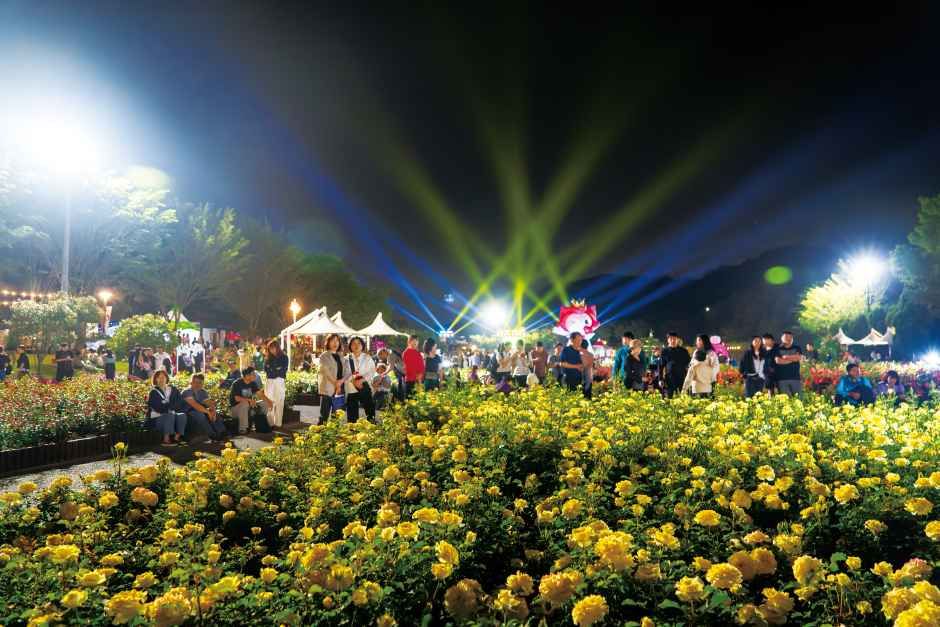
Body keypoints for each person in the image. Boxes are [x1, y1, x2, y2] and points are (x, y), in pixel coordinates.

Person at [181, 373, 228, 441]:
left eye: (200, 382)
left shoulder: (203, 392)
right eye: (195, 382)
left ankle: (222, 433)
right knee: (200, 415)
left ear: (203, 383)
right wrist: (208, 412)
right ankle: (212, 435)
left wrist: (213, 411)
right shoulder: (187, 392)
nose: (197, 384)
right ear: (191, 382)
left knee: (215, 414)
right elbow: (195, 405)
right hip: (187, 414)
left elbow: (209, 403)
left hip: (200, 411)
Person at [147, 370, 188, 446]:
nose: (161, 379)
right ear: (155, 379)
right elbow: (158, 407)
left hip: (172, 415)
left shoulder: (173, 390)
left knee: (182, 415)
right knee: (169, 414)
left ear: (166, 378)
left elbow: (180, 402)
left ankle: (176, 438)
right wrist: (170, 408)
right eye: (159, 378)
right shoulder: (153, 392)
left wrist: (169, 407)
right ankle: (166, 440)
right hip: (157, 419)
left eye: (163, 377)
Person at [228, 367, 273, 434]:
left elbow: (260, 394)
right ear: (247, 375)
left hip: (248, 406)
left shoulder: (253, 383)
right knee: (245, 403)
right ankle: (242, 429)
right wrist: (249, 400)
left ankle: (261, 424)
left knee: (264, 403)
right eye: (253, 374)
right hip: (235, 410)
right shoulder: (237, 383)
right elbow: (236, 398)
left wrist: (269, 401)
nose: (255, 375)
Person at [318, 333, 348, 423]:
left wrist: (341, 382)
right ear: (328, 342)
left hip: (339, 390)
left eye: (337, 341)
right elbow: (326, 371)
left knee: (336, 416)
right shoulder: (324, 356)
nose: (335, 343)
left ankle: (333, 432)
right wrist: (336, 384)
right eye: (332, 341)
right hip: (328, 388)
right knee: (324, 416)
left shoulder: (341, 356)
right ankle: (319, 431)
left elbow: (346, 371)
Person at [345, 336, 377, 422]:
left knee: (369, 409)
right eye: (354, 343)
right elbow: (345, 373)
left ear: (362, 345)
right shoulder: (347, 359)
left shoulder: (367, 358)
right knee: (352, 413)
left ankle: (371, 425)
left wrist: (362, 380)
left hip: (364, 386)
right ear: (350, 346)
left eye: (359, 343)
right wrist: (353, 381)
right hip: (351, 388)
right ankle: (352, 427)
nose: (356, 345)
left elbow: (372, 371)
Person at [264, 341, 289, 427]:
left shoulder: (284, 357)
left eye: (273, 347)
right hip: (269, 381)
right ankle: (270, 423)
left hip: (279, 381)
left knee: (279, 401)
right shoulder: (268, 358)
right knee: (269, 401)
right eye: (270, 348)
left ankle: (278, 423)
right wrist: (276, 369)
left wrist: (273, 370)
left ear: (277, 347)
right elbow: (266, 370)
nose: (272, 350)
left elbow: (283, 370)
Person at [659, 332, 691, 398]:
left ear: (677, 339)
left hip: (681, 378)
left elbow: (689, 364)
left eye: (674, 339)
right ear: (668, 340)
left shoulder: (683, 351)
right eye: (671, 339)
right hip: (669, 379)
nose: (673, 340)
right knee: (669, 397)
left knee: (682, 397)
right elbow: (661, 366)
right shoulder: (665, 351)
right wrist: (660, 379)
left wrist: (689, 378)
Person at [773, 331, 803, 396]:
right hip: (782, 379)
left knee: (798, 398)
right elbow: (778, 361)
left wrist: (786, 357)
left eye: (790, 337)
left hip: (795, 378)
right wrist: (793, 359)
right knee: (784, 399)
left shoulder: (796, 347)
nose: (788, 339)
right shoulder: (777, 348)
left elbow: (799, 357)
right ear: (782, 338)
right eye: (786, 337)